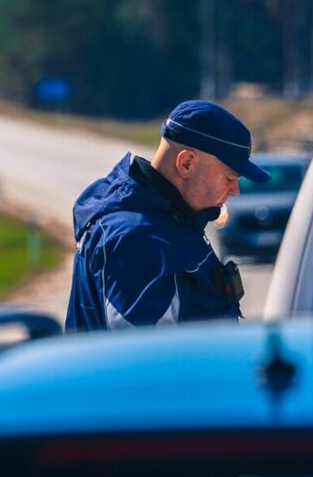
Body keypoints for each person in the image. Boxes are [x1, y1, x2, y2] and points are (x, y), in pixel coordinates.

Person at [65, 100, 271, 332]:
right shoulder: (139, 241)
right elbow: (147, 362)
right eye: (229, 178)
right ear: (186, 163)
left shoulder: (165, 221)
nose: (235, 190)